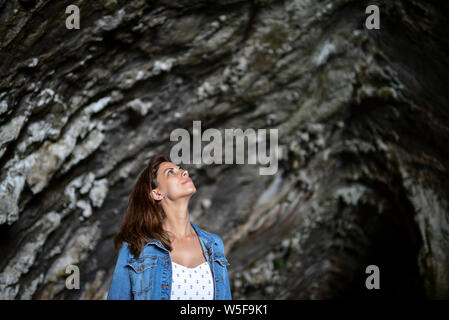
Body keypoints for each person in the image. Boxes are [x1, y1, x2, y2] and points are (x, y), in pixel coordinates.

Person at [107, 154, 232, 300]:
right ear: (157, 193)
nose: (184, 172)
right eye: (170, 172)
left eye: (180, 169)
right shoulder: (135, 247)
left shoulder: (214, 245)